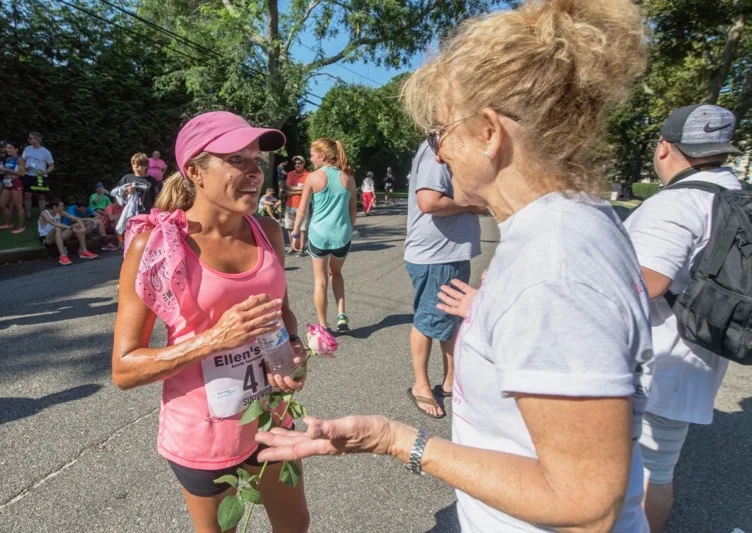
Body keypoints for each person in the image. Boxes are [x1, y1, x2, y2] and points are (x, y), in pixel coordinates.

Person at [256, 2, 653, 532]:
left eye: (440, 132)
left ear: (489, 132)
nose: (438, 154)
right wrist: (490, 310)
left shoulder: (554, 265)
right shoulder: (564, 228)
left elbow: (584, 505)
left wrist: (396, 440)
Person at [111, 110, 309, 533]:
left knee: (295, 526)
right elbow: (125, 368)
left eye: (257, 161)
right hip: (204, 435)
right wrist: (214, 339)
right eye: (237, 159)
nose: (254, 171)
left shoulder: (268, 230)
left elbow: (282, 309)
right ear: (195, 171)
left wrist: (293, 346)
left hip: (272, 415)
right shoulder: (159, 244)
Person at [623, 104, 745, 533]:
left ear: (664, 147)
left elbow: (645, 284)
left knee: (644, 471)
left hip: (660, 359)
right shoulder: (732, 190)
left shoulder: (677, 202)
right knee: (659, 466)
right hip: (700, 349)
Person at [404, 140, 483, 418]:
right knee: (427, 322)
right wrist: (472, 204)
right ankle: (420, 386)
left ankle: (451, 381)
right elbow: (429, 201)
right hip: (436, 256)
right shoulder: (434, 149)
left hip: (449, 253)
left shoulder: (449, 148)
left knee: (450, 319)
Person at [291, 139, 356, 332]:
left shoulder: (313, 177)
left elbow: (302, 210)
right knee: (336, 273)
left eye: (312, 155)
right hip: (341, 236)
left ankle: (323, 325)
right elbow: (353, 211)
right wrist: (348, 230)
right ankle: (341, 314)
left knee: (320, 281)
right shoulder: (348, 177)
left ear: (322, 156)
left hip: (319, 235)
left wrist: (295, 233)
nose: (310, 159)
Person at [38, 198, 93, 266]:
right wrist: (70, 227)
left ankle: (83, 251)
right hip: (46, 238)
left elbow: (75, 218)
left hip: (59, 236)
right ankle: (63, 256)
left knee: (77, 225)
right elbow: (53, 223)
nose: (63, 208)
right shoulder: (44, 213)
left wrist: (83, 228)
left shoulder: (61, 212)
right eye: (61, 206)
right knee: (57, 228)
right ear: (55, 207)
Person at [21, 131, 54, 219]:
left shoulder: (45, 152)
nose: (28, 139)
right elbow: (22, 161)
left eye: (30, 138)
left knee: (41, 196)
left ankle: (42, 214)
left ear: (36, 140)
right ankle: (28, 214)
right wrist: (24, 168)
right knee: (27, 195)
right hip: (28, 175)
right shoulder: (27, 149)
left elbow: (51, 165)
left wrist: (45, 172)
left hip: (40, 176)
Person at [0, 141, 26, 233]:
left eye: (10, 148)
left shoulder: (19, 159)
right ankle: (8, 223)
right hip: (7, 183)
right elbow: (4, 171)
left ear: (16, 149)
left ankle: (21, 226)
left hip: (15, 183)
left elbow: (22, 173)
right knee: (2, 204)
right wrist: (1, 170)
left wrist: (7, 169)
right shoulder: (7, 159)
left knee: (18, 205)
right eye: (7, 148)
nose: (7, 150)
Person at [284, 155, 309, 255]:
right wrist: (300, 190)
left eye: (299, 163)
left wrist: (291, 192)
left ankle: (302, 248)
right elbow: (288, 186)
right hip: (290, 204)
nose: (297, 165)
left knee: (303, 228)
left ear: (303, 164)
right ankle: (293, 246)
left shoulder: (308, 175)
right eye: (295, 163)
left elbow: (307, 189)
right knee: (290, 226)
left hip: (303, 205)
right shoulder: (291, 173)